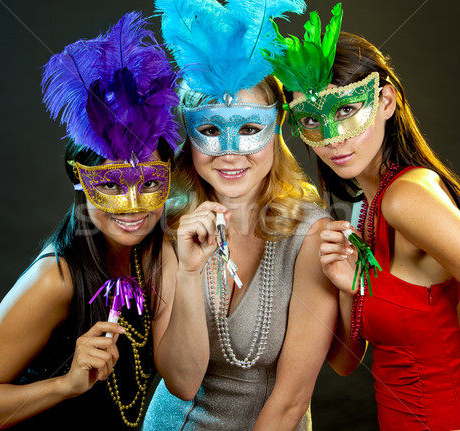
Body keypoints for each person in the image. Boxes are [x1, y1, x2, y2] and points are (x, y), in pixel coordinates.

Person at [268, 3, 460, 430]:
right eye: (312, 120)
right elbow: (347, 363)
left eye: (345, 110)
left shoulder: (407, 198)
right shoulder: (366, 207)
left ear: (385, 100)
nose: (332, 138)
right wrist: (349, 285)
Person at [0, 12, 180, 429]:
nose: (133, 206)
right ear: (81, 181)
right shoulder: (54, 280)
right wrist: (67, 383)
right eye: (110, 185)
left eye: (149, 183)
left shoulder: (155, 251)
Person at [142, 1, 339, 430]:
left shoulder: (311, 233)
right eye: (211, 130)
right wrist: (191, 273)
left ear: (277, 127)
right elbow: (181, 381)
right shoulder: (168, 226)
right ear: (189, 135)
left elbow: (291, 401)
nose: (230, 152)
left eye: (249, 128)